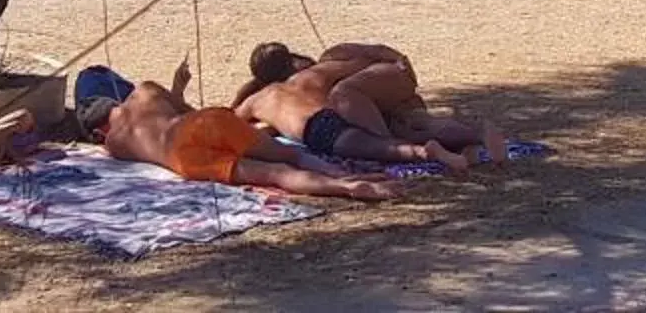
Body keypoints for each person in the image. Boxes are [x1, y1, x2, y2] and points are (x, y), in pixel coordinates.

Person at [80, 61, 394, 200]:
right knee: (288, 155)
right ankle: (340, 173)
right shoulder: (145, 91)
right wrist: (178, 87)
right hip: (198, 123)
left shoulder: (114, 142)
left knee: (274, 174)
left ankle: (346, 189)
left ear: (98, 130)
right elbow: (182, 109)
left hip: (183, 157)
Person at [232, 45, 474, 174]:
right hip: (341, 112)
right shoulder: (312, 75)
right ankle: (468, 138)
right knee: (389, 133)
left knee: (381, 148)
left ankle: (425, 152)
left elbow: (229, 121)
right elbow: (359, 64)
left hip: (318, 130)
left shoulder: (260, 98)